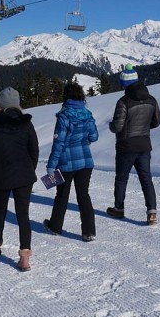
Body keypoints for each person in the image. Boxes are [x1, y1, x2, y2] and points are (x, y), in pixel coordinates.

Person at [0, 87, 39, 272]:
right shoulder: (26, 123)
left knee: (0, 211)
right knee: (23, 215)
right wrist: (29, 169)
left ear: (1, 104)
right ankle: (25, 257)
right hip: (24, 175)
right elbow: (34, 150)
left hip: (0, 176)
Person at [43, 82, 99, 241]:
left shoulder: (64, 116)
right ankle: (89, 232)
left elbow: (59, 142)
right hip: (86, 162)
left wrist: (51, 165)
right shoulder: (88, 114)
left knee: (62, 195)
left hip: (66, 163)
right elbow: (94, 137)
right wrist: (83, 138)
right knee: (83, 195)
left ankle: (55, 227)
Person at [107, 64, 160, 225]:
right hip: (144, 144)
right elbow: (156, 121)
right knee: (146, 179)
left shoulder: (123, 101)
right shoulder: (152, 99)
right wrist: (144, 127)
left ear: (124, 84)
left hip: (126, 146)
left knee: (121, 179)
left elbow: (117, 126)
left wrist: (111, 126)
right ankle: (152, 212)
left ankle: (119, 209)